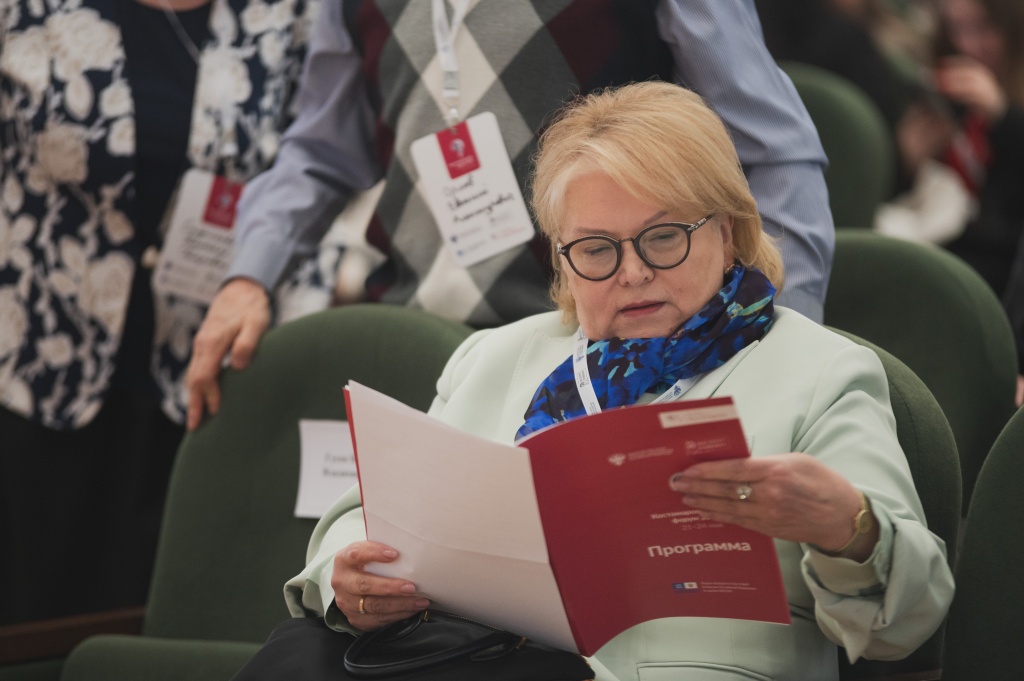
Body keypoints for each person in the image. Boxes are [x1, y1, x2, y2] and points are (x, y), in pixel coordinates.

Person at [235, 82, 953, 681]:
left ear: (729, 230)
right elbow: (371, 516)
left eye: (663, 237)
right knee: (298, 653)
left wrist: (849, 530)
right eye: (596, 250)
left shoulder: (821, 372)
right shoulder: (494, 357)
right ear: (561, 259)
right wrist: (350, 579)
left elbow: (911, 620)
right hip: (471, 657)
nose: (633, 272)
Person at [185, 0, 837, 431]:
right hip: (419, 343)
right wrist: (249, 275)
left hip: (602, 360)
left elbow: (774, 149)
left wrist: (784, 344)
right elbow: (320, 150)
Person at [0, 0, 328, 624]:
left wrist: (297, 360)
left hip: (205, 386)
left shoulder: (287, 15)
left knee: (154, 622)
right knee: (30, 622)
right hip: (35, 368)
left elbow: (309, 177)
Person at [932, 0, 1024, 404]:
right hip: (956, 240)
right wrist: (908, 156)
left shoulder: (1005, 103)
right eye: (958, 29)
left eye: (983, 28)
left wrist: (1003, 117)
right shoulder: (956, 94)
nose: (968, 44)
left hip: (998, 265)